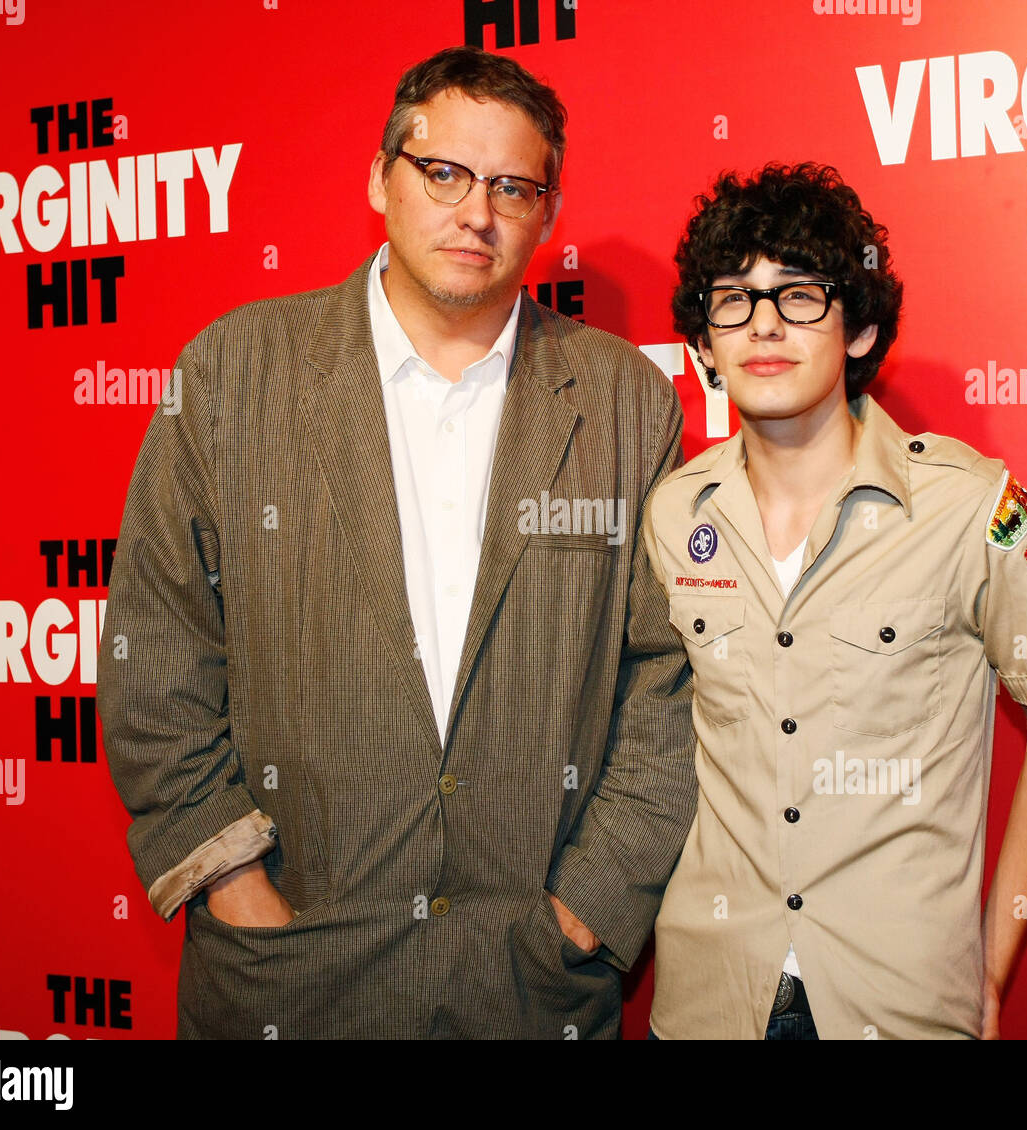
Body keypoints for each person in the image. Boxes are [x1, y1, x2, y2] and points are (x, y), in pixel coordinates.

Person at [97, 45, 696, 1039]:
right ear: (380, 178)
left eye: (513, 186)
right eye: (444, 173)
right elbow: (155, 653)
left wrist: (589, 904)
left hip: (528, 981)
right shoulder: (232, 372)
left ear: (546, 212)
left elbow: (663, 677)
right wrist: (232, 882)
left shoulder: (625, 397)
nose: (477, 212)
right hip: (290, 973)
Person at [643, 163, 1027, 1040]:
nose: (764, 324)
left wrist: (990, 965)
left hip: (900, 1001)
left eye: (800, 295)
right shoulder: (673, 515)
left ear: (860, 328)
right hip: (708, 998)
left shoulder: (973, 507)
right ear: (703, 342)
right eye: (731, 299)